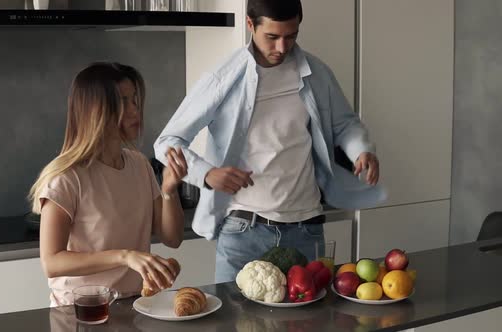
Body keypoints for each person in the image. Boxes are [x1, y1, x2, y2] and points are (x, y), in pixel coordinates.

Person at [154, 0, 386, 283]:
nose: (282, 48)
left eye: (291, 36)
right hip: (243, 231)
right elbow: (167, 142)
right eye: (272, 37)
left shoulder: (316, 73)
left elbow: (345, 123)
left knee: (307, 326)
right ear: (251, 25)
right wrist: (206, 174)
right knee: (237, 325)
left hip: (306, 228)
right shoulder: (223, 78)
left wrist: (360, 150)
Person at [29, 62, 188, 305]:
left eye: (135, 99)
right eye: (123, 102)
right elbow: (51, 263)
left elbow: (172, 238)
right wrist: (126, 257)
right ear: (96, 111)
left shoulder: (139, 165)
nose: (135, 110)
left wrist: (169, 190)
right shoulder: (67, 177)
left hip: (134, 305)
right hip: (80, 310)